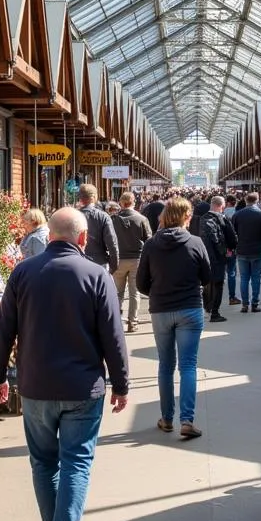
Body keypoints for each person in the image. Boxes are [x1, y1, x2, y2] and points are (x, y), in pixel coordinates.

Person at [0, 207, 129, 521]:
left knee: (43, 461)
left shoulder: (23, 272)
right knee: (76, 461)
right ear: (83, 238)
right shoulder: (96, 275)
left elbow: (3, 329)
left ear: (49, 235)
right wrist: (121, 384)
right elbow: (113, 336)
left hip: (35, 385)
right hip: (83, 386)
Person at [137, 197, 211, 439]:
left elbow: (141, 283)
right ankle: (187, 419)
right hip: (190, 307)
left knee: (165, 366)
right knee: (188, 365)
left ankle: (167, 418)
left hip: (160, 310)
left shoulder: (150, 245)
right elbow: (207, 276)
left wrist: (157, 293)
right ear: (186, 217)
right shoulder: (196, 242)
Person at [111, 192, 152, 333]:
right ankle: (132, 323)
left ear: (121, 203)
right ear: (134, 202)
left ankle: (115, 322)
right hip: (136, 259)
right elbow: (149, 241)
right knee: (134, 293)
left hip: (118, 260)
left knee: (117, 293)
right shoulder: (142, 219)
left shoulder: (113, 220)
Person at [199, 195, 237, 323]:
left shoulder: (200, 219)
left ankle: (206, 308)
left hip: (202, 257)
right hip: (218, 257)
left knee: (205, 284)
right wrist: (230, 249)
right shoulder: (222, 219)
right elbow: (232, 238)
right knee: (218, 284)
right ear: (221, 206)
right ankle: (215, 312)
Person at [232, 192, 261, 313]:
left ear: (245, 200)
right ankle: (254, 303)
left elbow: (233, 233)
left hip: (242, 250)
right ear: (257, 200)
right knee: (256, 277)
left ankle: (244, 304)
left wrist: (235, 247)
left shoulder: (237, 215)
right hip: (257, 250)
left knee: (244, 278)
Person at [77, 184, 119, 272]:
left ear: (80, 198)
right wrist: (114, 266)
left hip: (77, 262)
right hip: (99, 263)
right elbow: (112, 243)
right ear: (94, 197)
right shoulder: (103, 216)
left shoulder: (72, 215)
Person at [224, 195, 239, 304]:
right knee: (232, 272)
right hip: (232, 247)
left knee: (220, 272)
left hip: (221, 247)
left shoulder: (221, 214)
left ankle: (214, 300)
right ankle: (232, 297)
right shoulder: (238, 214)